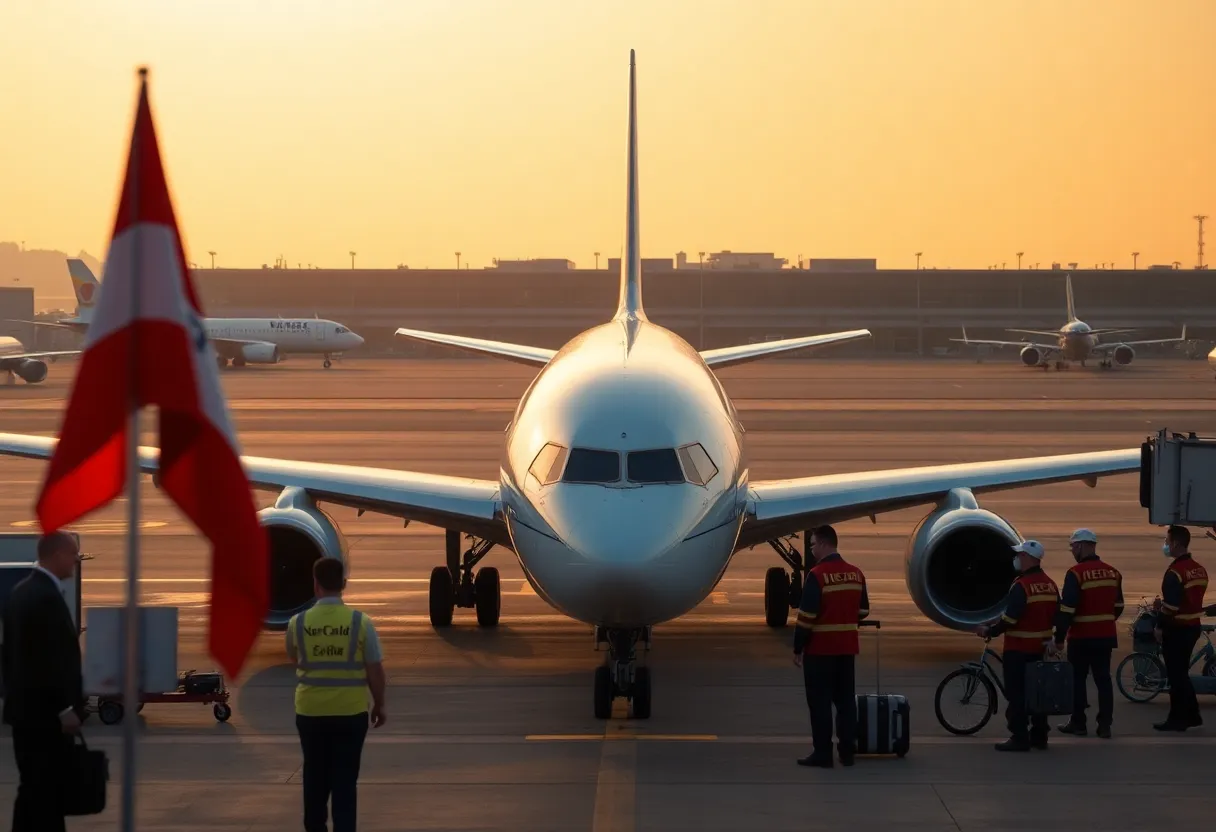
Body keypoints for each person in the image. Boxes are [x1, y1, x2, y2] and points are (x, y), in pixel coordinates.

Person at [287, 558, 388, 832]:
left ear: (315, 585)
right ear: (343, 585)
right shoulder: (360, 623)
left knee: (314, 778)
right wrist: (379, 705)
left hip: (310, 713)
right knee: (345, 782)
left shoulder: (297, 623)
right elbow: (375, 670)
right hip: (350, 713)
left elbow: (296, 658)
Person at [1, 531, 85, 832]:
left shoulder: (23, 591)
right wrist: (64, 708)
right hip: (44, 717)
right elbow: (42, 661)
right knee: (45, 792)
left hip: (27, 712)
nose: (76, 559)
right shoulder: (43, 597)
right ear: (57, 555)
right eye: (73, 553)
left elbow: (11, 657)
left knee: (34, 792)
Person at [792, 524, 870, 768]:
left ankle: (823, 753)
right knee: (846, 702)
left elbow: (806, 617)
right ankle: (847, 752)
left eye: (813, 544)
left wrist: (797, 648)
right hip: (847, 650)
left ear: (825, 544)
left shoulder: (817, 575)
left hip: (820, 651)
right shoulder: (856, 573)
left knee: (820, 704)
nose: (811, 548)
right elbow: (864, 611)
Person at [976, 540, 1059, 752]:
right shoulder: (1050, 584)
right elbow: (1057, 615)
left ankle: (1019, 737)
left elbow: (1010, 619)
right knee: (1037, 694)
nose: (1017, 559)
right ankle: (1040, 736)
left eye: (1020, 555)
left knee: (1017, 695)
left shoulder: (1021, 586)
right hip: (1040, 651)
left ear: (1029, 559)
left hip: (1019, 649)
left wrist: (990, 630)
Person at [1052, 528, 1123, 739]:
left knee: (1078, 680)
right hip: (1106, 636)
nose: (1072, 551)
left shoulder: (1075, 573)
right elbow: (1118, 606)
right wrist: (1104, 620)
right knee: (1103, 680)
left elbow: (1067, 609)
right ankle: (1105, 726)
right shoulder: (1113, 572)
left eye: (1073, 547)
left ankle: (1078, 723)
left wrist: (1059, 638)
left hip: (1081, 637)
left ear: (1082, 546)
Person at [1152, 525, 1208, 732]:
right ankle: (1192, 715)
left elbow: (1171, 607)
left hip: (1177, 629)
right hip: (1193, 626)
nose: (1165, 546)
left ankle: (1177, 719)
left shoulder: (1175, 572)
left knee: (1176, 677)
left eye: (1167, 542)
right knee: (1181, 674)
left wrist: (1158, 625)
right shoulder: (1199, 569)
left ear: (1175, 543)